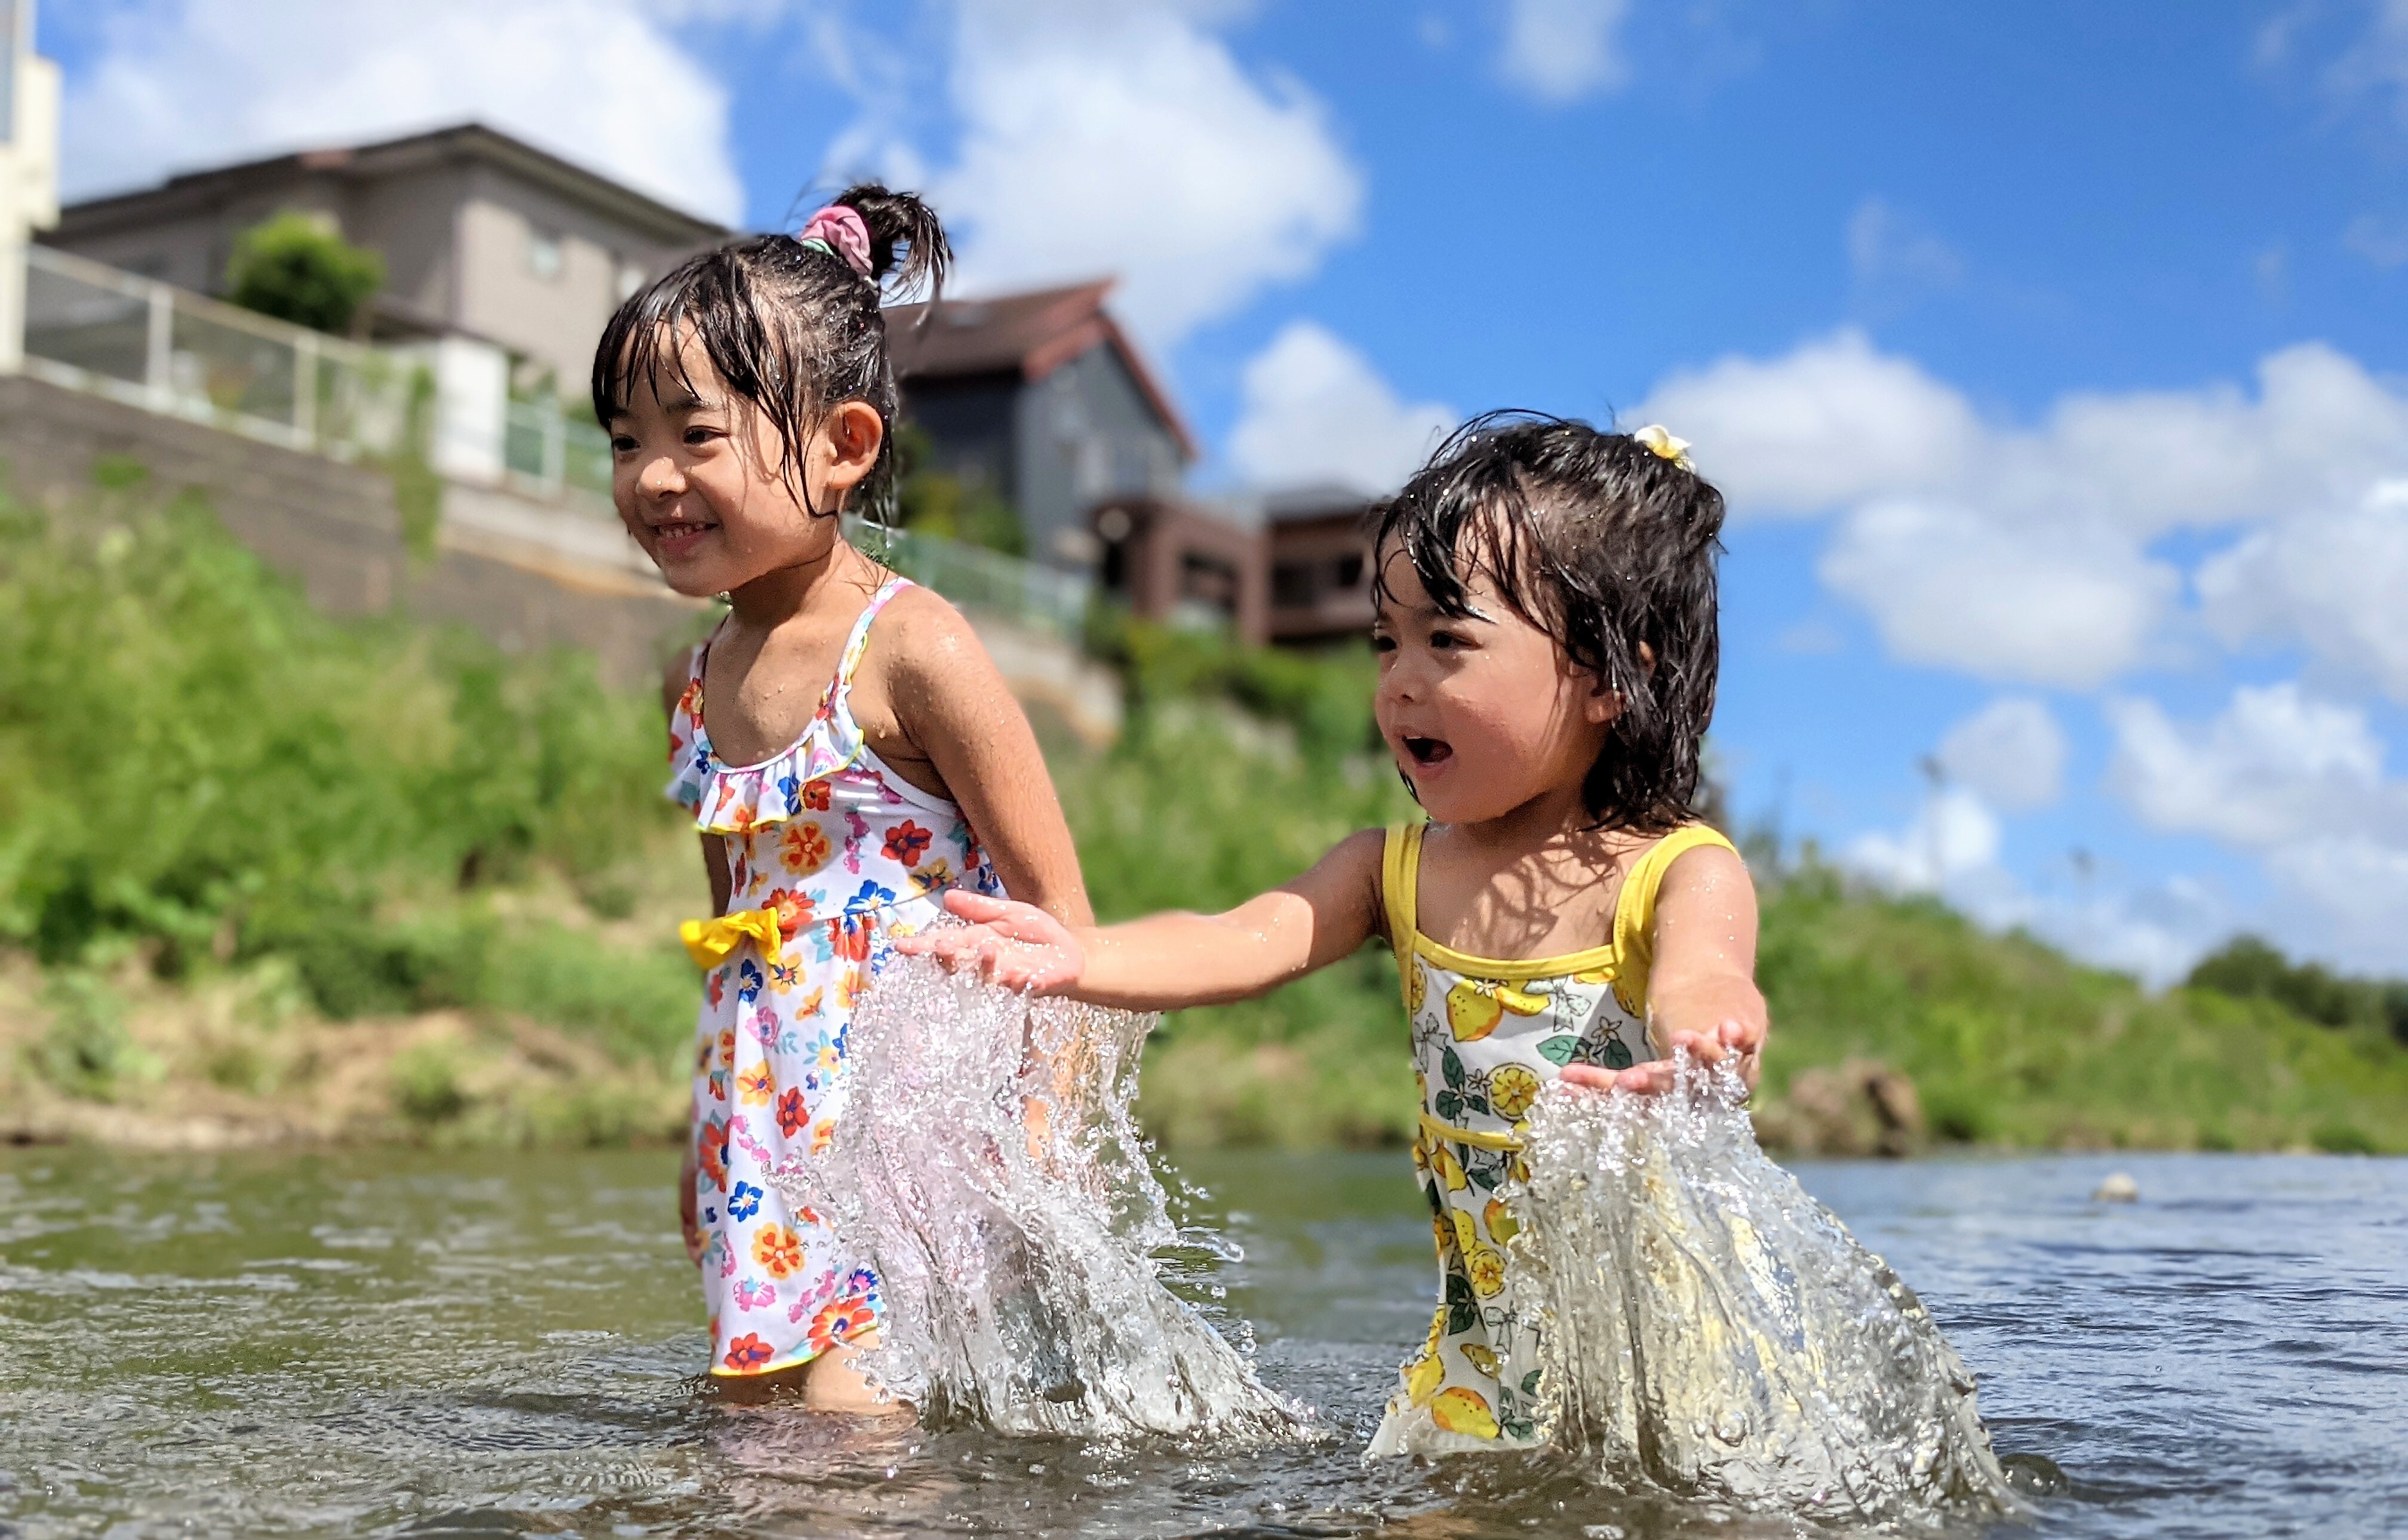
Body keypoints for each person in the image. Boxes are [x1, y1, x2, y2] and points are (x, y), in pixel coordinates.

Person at [908, 413, 1765, 1455]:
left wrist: (1707, 1040)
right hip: (1478, 1372)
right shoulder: (1391, 869)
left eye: (1447, 640)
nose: (1399, 680)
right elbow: (1244, 936)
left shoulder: (1678, 868)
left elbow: (1707, 977)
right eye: (1386, 640)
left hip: (1667, 1364)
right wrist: (1083, 957)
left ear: (1606, 678)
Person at [594, 186, 1091, 1405]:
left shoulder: (913, 648)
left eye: (695, 434)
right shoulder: (692, 681)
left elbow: (1058, 918)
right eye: (623, 440)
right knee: (753, 1432)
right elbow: (735, 932)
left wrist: (1038, 1142)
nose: (653, 477)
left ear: (843, 446)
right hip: (763, 1130)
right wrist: (706, 1134)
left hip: (917, 1123)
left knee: (848, 1431)